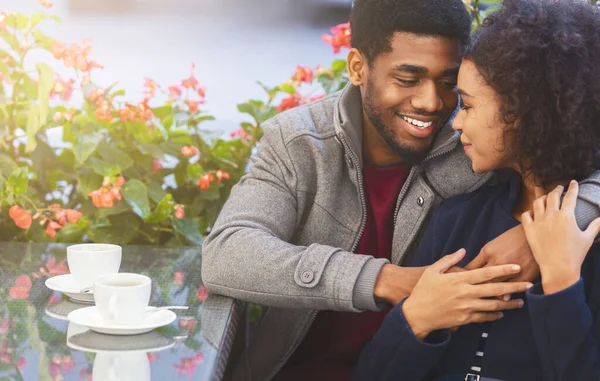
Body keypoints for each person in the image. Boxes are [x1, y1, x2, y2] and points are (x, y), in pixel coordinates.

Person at [201, 0, 600, 379]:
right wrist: (388, 281)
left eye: (448, 84)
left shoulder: (479, 143)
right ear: (358, 67)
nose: (432, 104)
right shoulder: (299, 144)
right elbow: (227, 253)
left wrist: (543, 234)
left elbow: (561, 131)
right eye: (407, 79)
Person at [353, 1, 600, 380]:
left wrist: (561, 280)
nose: (455, 123)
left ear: (523, 112)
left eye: (466, 105)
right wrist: (418, 318)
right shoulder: (455, 219)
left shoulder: (590, 241)